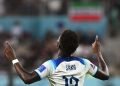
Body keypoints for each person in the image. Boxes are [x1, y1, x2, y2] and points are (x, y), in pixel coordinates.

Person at [4, 30, 109, 86]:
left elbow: (27, 78)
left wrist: (13, 58)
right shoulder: (84, 63)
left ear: (58, 45)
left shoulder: (51, 65)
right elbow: (105, 75)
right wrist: (98, 53)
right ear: (76, 47)